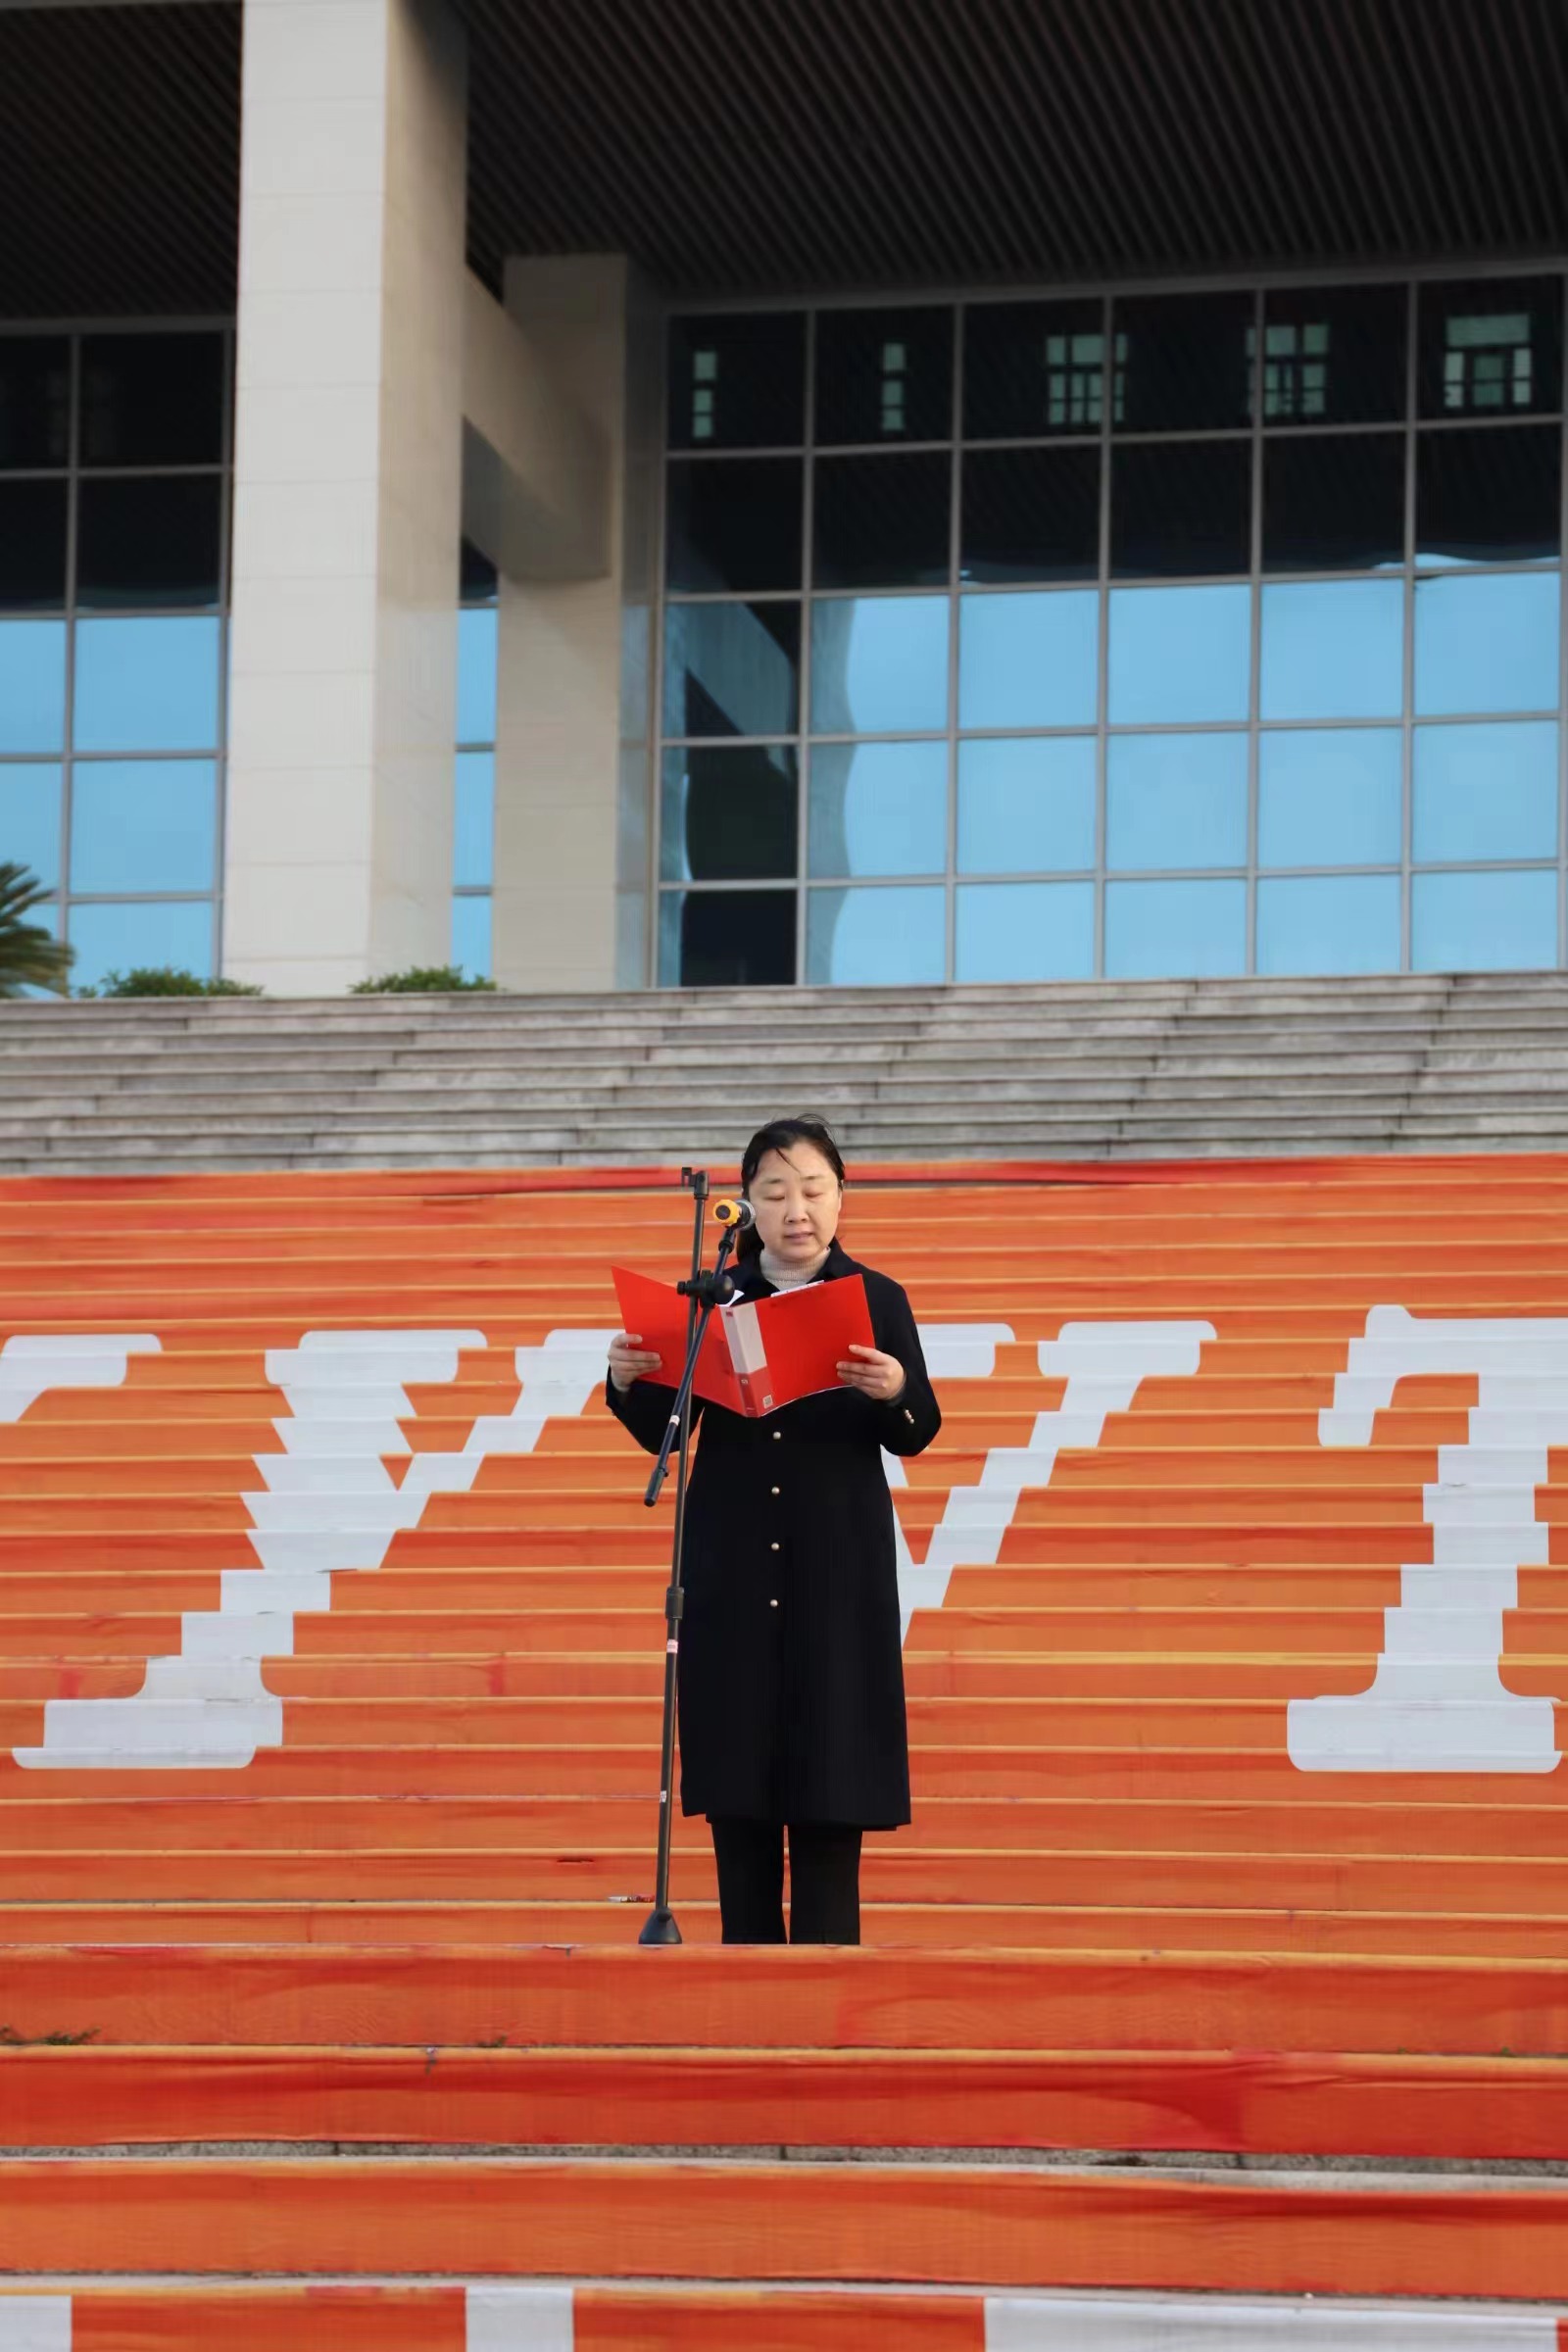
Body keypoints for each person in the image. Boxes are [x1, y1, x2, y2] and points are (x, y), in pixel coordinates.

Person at [605, 1115, 941, 1945]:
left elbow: (916, 1431)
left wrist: (893, 1389)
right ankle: (744, 1987)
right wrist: (625, 1381)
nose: (798, 1210)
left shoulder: (878, 1298)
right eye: (777, 1192)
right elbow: (664, 1434)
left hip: (836, 1573)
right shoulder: (713, 1298)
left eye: (814, 1190)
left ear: (841, 1196)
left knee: (832, 1793)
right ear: (747, 1204)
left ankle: (828, 1997)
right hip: (733, 1568)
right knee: (741, 1800)